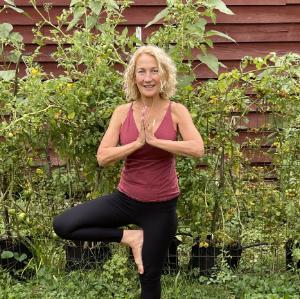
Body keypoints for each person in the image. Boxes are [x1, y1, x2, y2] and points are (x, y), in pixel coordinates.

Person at [53, 45, 204, 299]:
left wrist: (156, 141)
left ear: (164, 75)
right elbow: (103, 157)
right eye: (141, 71)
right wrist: (136, 144)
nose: (148, 78)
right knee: (64, 224)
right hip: (126, 200)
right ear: (134, 77)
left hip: (161, 208)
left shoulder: (177, 111)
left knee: (149, 278)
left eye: (154, 71)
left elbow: (197, 148)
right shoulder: (122, 113)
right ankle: (131, 237)